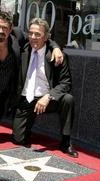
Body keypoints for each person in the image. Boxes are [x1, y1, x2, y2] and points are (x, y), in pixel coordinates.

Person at [0, 11, 63, 160]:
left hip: (1, 92)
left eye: (4, 28)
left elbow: (40, 38)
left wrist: (55, 46)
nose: (0, 31)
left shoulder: (18, 38)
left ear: (11, 30)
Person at [11, 18, 78, 158]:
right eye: (31, 33)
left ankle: (66, 141)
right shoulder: (22, 49)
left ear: (47, 37)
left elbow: (66, 83)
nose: (33, 37)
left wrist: (48, 96)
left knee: (68, 99)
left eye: (38, 34)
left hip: (47, 99)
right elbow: (8, 29)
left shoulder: (57, 56)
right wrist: (55, 45)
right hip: (26, 99)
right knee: (18, 140)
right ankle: (27, 128)